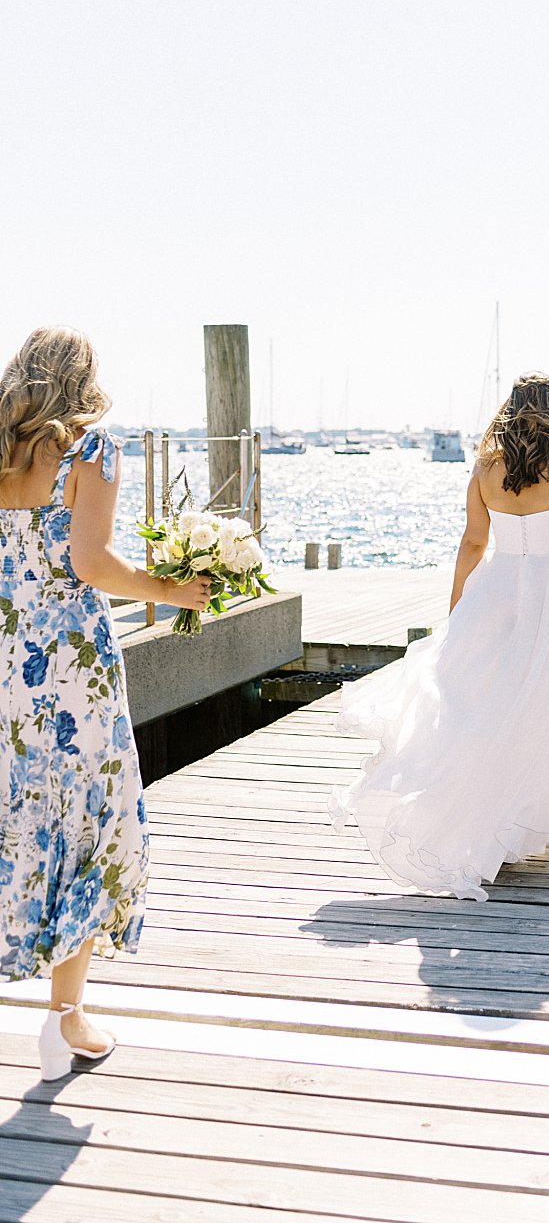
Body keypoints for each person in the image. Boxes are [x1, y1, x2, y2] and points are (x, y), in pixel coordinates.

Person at [331, 373, 549, 900]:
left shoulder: (485, 467)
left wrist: (459, 603)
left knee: (489, 698)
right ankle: (531, 814)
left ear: (510, 409)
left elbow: (472, 540)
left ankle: (499, 816)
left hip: (499, 586)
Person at [0, 328, 210, 1080]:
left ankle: (60, 1010)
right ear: (84, 380)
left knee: (19, 814)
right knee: (90, 818)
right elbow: (90, 562)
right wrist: (168, 590)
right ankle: (65, 1019)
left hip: (7, 664)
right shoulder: (92, 450)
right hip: (73, 667)